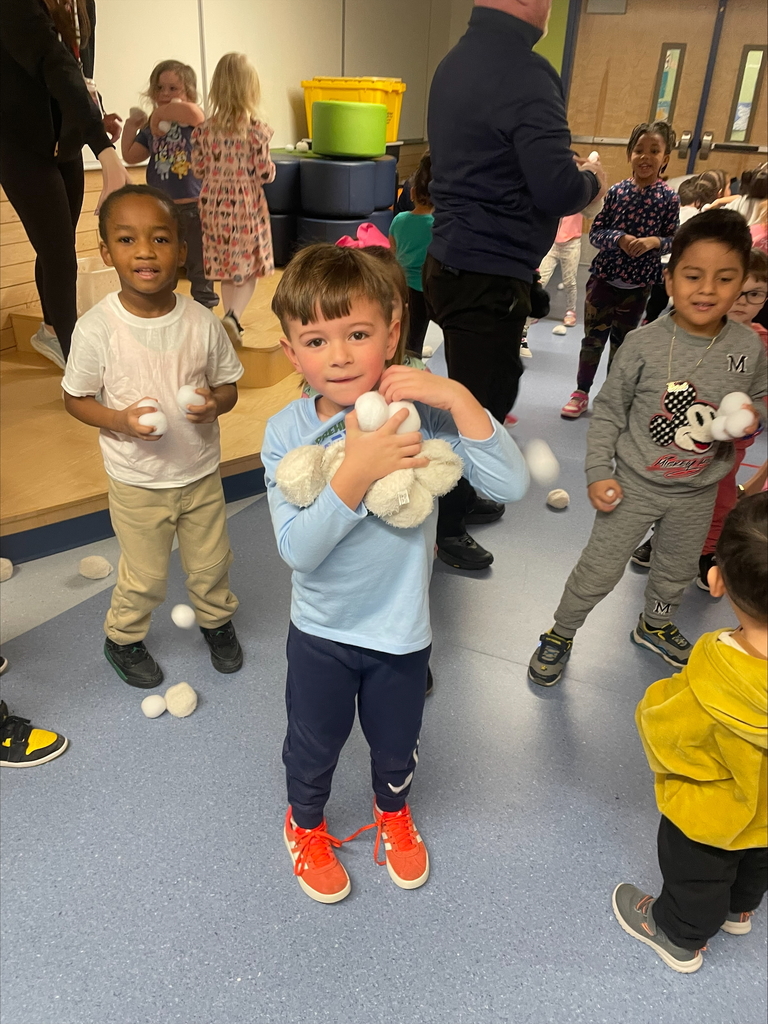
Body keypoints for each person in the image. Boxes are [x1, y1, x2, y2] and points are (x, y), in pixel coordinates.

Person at [262, 244, 528, 903]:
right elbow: (299, 551)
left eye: (358, 334)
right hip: (321, 632)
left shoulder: (423, 413)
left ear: (393, 329)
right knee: (313, 746)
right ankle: (305, 824)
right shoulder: (284, 432)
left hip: (401, 633)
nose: (341, 356)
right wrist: (358, 470)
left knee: (396, 745)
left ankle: (392, 812)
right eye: (316, 340)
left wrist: (456, 396)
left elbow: (511, 482)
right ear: (292, 352)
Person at [528, 210, 766, 687]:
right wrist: (598, 471)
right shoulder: (643, 344)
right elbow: (611, 411)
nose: (707, 289)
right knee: (598, 569)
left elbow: (757, 397)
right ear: (670, 278)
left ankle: (654, 624)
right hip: (634, 486)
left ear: (741, 283)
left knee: (675, 572)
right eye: (693, 275)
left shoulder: (748, 346)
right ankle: (562, 631)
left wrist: (751, 418)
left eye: (725, 278)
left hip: (698, 491)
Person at [423, 0, 606, 570]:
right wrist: (593, 177)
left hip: (453, 262)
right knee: (480, 402)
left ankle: (462, 497)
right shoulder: (526, 73)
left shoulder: (455, 61)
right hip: (486, 271)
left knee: (477, 393)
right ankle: (445, 526)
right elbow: (556, 190)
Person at [62, 185, 244, 688]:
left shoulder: (202, 322)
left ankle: (216, 622)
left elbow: (229, 386)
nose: (144, 251)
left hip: (200, 474)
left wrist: (215, 404)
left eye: (160, 238)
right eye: (126, 239)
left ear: (181, 252)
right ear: (107, 252)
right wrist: (119, 421)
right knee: (143, 577)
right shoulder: (97, 328)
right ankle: (122, 637)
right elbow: (74, 399)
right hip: (136, 482)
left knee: (211, 564)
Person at [612, 494, 767, 974]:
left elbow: (669, 735)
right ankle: (738, 911)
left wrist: (653, 705)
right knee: (757, 858)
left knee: (698, 871)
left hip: (710, 811)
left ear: (716, 579)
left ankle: (677, 935)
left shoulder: (715, 668)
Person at [0, 0, 130, 368]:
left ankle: (52, 330)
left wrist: (96, 117)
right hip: (19, 142)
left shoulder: (82, 3)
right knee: (59, 252)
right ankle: (79, 366)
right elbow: (51, 62)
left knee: (58, 244)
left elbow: (79, 72)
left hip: (66, 140)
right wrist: (104, 150)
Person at [631, 247, 768, 579]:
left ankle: (708, 551)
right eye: (735, 291)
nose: (742, 301)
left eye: (754, 294)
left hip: (728, 446)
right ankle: (661, 539)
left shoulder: (761, 342)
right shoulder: (690, 331)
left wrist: (750, 417)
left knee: (718, 500)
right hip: (680, 439)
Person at [561, 121, 680, 418]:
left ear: (665, 158)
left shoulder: (669, 198)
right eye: (639, 150)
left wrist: (654, 242)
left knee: (623, 345)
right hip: (604, 281)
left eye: (654, 151)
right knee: (592, 340)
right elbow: (596, 233)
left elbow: (674, 241)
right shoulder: (616, 193)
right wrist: (620, 239)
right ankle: (581, 391)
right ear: (629, 154)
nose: (645, 157)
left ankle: (613, 395)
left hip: (638, 288)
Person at [191, 52, 275, 346]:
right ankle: (234, 317)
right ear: (251, 88)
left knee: (226, 266)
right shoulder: (255, 131)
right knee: (248, 266)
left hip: (213, 203)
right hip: (244, 205)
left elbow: (199, 169)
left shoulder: (203, 130)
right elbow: (265, 173)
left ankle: (230, 319)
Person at [121, 60, 218, 311]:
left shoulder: (191, 121)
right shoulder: (151, 129)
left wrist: (159, 114)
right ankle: (164, 308)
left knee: (199, 263)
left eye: (173, 88)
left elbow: (195, 114)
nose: (165, 94)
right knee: (164, 261)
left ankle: (205, 308)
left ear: (188, 92)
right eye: (160, 88)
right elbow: (131, 155)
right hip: (161, 210)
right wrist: (131, 128)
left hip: (194, 207)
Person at [389, 151, 434, 358]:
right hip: (423, 288)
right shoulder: (437, 226)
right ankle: (411, 363)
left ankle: (398, 356)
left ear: (412, 193)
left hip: (400, 285)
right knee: (416, 335)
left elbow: (393, 252)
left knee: (398, 326)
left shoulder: (399, 219)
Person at [537, 213, 583, 332]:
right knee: (541, 278)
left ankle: (570, 311)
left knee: (569, 281)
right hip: (552, 243)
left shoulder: (577, 201)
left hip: (571, 244)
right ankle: (535, 309)